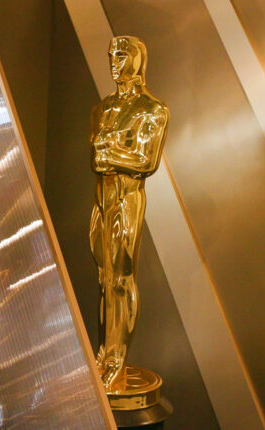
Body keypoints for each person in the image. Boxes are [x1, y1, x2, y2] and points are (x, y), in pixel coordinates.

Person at [89, 36, 169, 392]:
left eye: (121, 55)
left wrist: (109, 154)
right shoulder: (102, 108)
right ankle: (105, 353)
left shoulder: (153, 109)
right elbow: (97, 155)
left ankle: (118, 359)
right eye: (111, 55)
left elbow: (145, 161)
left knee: (121, 279)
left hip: (127, 200)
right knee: (104, 278)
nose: (114, 61)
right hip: (101, 200)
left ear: (137, 59)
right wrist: (108, 153)